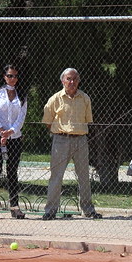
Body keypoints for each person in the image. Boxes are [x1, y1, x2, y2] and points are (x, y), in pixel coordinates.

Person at [41, 67, 102, 221]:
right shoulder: (55, 99)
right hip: (61, 140)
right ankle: (50, 210)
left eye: (75, 79)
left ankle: (88, 210)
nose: (72, 82)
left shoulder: (85, 98)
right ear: (63, 81)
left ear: (79, 81)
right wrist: (60, 132)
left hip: (81, 140)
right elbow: (47, 121)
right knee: (56, 176)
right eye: (68, 79)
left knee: (84, 176)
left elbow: (88, 120)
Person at [0, 64, 27, 219]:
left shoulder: (21, 95)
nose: (13, 79)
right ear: (4, 77)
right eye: (10, 76)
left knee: (12, 171)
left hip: (14, 137)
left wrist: (11, 131)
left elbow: (21, 117)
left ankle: (14, 206)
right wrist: (2, 130)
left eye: (15, 76)